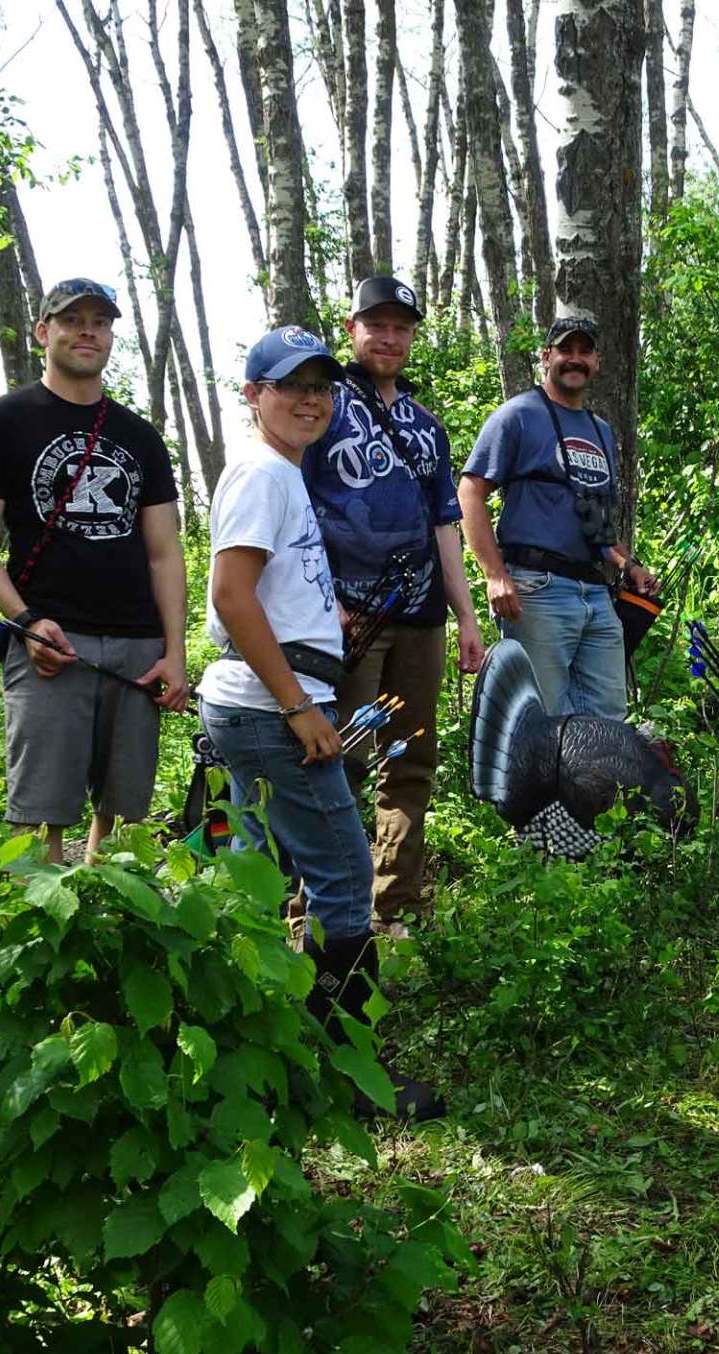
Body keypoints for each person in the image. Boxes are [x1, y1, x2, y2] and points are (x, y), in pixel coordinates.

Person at [198, 324, 442, 1121]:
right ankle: (348, 1074)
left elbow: (265, 587)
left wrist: (318, 610)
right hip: (272, 708)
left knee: (258, 876)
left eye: (320, 387)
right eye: (291, 386)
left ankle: (261, 1051)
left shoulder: (283, 472)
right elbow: (230, 596)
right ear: (253, 395)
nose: (309, 400)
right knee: (342, 877)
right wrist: (300, 705)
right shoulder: (263, 475)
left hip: (261, 701)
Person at [0, 277, 188, 864]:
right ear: (43, 331)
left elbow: (164, 552)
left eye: (100, 322)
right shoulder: (2, 422)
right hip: (50, 643)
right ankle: (39, 917)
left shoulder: (139, 436)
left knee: (125, 817)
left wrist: (175, 652)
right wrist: (27, 621)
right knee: (38, 815)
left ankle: (109, 913)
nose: (88, 332)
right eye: (72, 320)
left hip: (138, 647)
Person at [305, 276, 485, 931]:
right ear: (351, 329)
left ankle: (394, 905)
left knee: (409, 760)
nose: (388, 338)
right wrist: (321, 598)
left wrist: (465, 616)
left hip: (420, 617)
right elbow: (298, 509)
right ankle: (320, 915)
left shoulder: (427, 426)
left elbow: (445, 524)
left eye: (401, 327)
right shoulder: (322, 408)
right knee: (339, 761)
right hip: (350, 620)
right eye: (376, 325)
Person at [458, 317, 658, 719]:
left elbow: (596, 518)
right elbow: (470, 492)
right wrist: (495, 574)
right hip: (538, 589)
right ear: (546, 356)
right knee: (543, 721)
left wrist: (628, 564)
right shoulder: (518, 415)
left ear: (597, 362)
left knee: (608, 720)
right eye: (566, 350)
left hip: (596, 593)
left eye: (585, 351)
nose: (575, 359)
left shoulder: (601, 431)